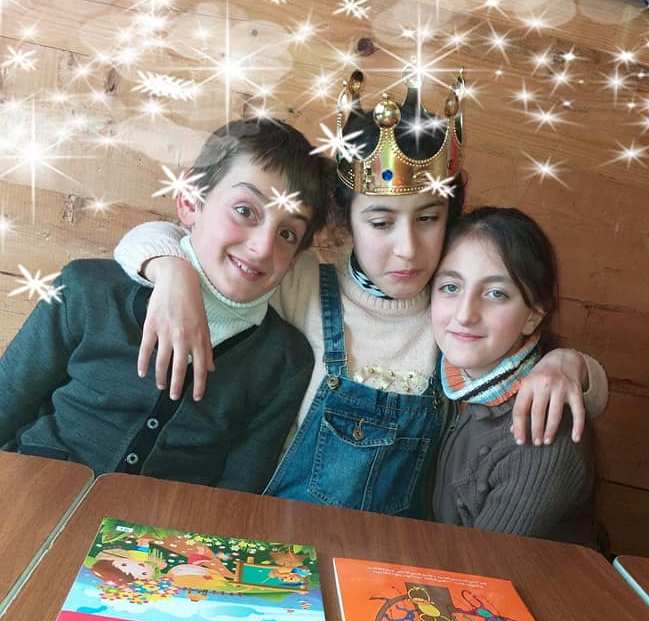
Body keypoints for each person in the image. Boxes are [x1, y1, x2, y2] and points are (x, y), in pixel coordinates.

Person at [113, 71, 608, 517]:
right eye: (381, 222)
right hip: (273, 539)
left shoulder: (452, 314)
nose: (407, 249)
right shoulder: (299, 280)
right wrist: (172, 271)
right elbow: (174, 240)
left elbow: (523, 370)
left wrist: (568, 365)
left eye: (428, 218)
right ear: (346, 221)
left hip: (383, 561)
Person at [0, 118, 332, 491]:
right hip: (31, 495)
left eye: (287, 233)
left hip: (159, 527)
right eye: (245, 211)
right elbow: (7, 403)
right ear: (190, 199)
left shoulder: (285, 361)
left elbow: (238, 497)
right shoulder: (86, 290)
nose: (262, 247)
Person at [431, 207, 595, 544]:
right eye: (450, 287)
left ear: (533, 316)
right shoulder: (443, 374)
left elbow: (480, 564)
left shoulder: (540, 434)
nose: (465, 314)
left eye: (496, 293)